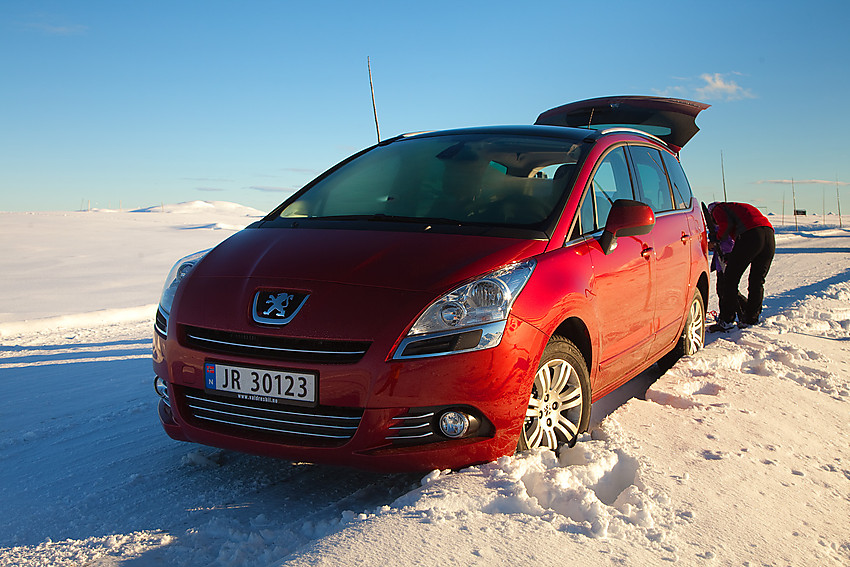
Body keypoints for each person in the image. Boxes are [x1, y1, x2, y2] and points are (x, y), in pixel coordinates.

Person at [707, 202, 775, 331]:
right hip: (769, 235)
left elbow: (725, 226)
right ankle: (751, 318)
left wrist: (717, 238)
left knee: (730, 280)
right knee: (757, 281)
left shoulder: (717, 209)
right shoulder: (736, 207)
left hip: (751, 234)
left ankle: (726, 320)